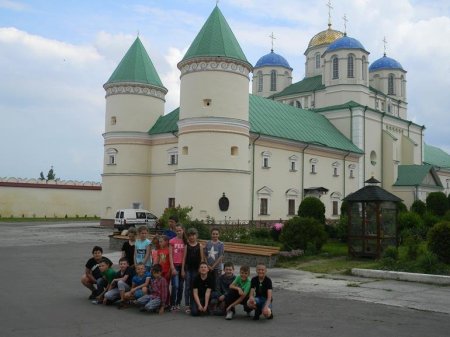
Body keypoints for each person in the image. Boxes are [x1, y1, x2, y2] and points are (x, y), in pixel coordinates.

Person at [182, 227, 204, 314]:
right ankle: (187, 305)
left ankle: (193, 304)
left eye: (193, 235)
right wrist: (183, 270)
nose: (192, 237)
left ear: (196, 236)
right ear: (188, 237)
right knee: (187, 287)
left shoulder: (200, 246)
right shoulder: (187, 246)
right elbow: (184, 258)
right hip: (188, 269)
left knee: (194, 287)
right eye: (190, 236)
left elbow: (202, 259)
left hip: (196, 269)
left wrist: (201, 269)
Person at [169, 224, 186, 311]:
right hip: (175, 265)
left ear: (183, 230)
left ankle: (178, 303)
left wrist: (183, 269)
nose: (179, 232)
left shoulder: (185, 241)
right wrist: (172, 267)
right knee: (175, 285)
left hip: (182, 266)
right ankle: (172, 303)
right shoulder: (172, 241)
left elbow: (184, 256)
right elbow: (170, 254)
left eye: (180, 230)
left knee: (181, 286)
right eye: (177, 231)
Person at [155, 235, 171, 308]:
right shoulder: (159, 250)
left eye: (161, 241)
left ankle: (167, 302)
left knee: (166, 287)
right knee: (160, 287)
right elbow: (157, 261)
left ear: (166, 242)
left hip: (166, 271)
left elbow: (171, 262)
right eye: (159, 242)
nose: (160, 243)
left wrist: (169, 272)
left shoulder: (169, 250)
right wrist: (155, 269)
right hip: (160, 272)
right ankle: (161, 301)